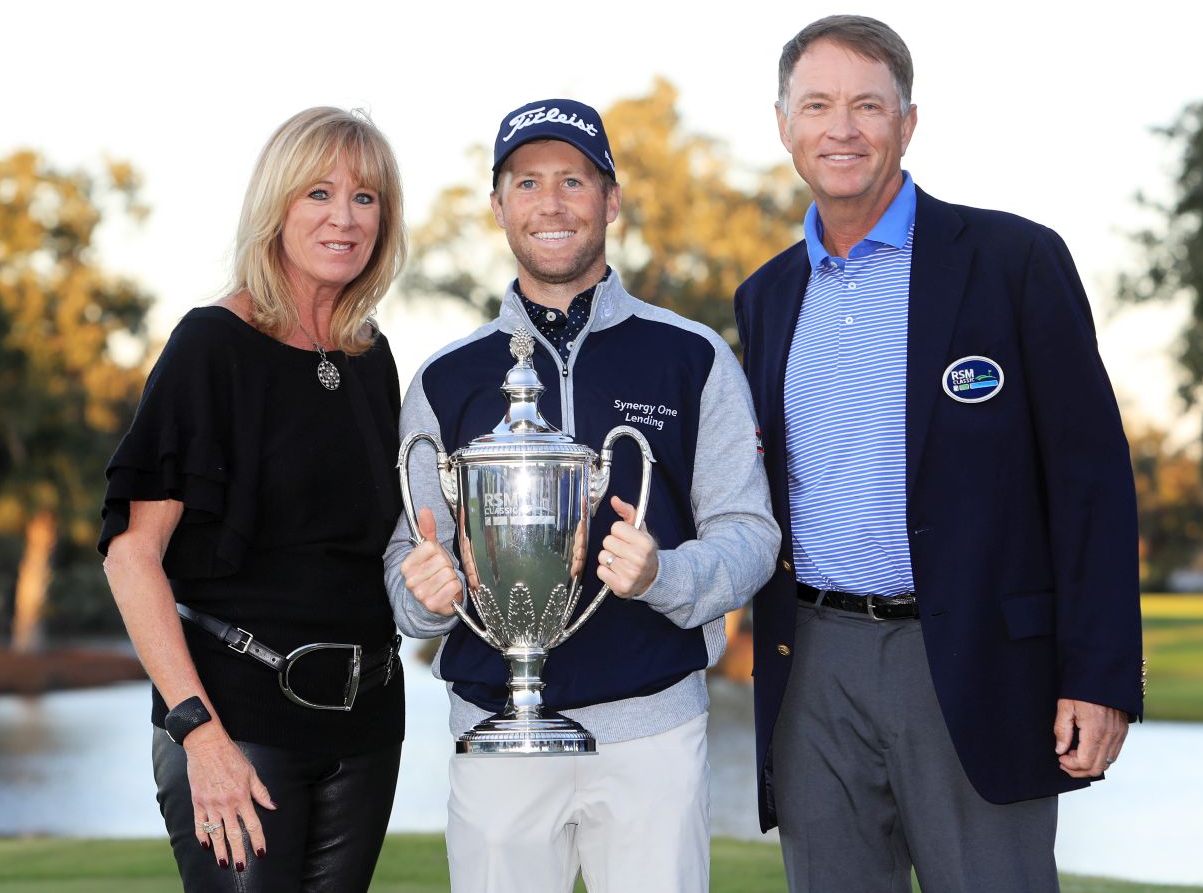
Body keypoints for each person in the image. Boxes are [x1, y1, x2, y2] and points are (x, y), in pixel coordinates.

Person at [734, 15, 1145, 892]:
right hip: (813, 666)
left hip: (974, 661)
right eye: (816, 105)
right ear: (784, 127)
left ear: (907, 123)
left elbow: (1092, 481)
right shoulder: (766, 296)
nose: (841, 128)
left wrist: (1102, 674)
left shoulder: (1013, 261)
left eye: (866, 106)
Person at [386, 98, 780, 893]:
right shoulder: (446, 378)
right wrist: (421, 595)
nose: (552, 203)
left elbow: (751, 534)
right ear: (498, 206)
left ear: (613, 199)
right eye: (527, 183)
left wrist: (662, 574)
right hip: (498, 735)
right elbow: (408, 556)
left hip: (653, 731)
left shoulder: (692, 358)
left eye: (574, 180)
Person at [99, 106, 408, 892]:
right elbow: (132, 554)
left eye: (366, 198)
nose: (345, 217)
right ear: (276, 206)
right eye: (319, 193)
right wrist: (198, 734)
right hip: (239, 720)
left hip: (369, 723)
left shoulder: (373, 360)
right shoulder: (210, 346)